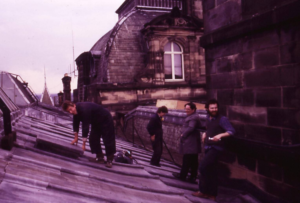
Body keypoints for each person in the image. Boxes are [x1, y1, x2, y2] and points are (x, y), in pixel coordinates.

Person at [192, 99, 235, 201]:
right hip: (208, 146)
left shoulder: (222, 119)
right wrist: (205, 133)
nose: (214, 109)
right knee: (211, 170)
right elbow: (209, 128)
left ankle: (203, 191)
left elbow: (232, 131)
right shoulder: (207, 118)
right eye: (212, 108)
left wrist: (220, 135)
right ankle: (211, 194)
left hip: (216, 148)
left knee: (202, 167)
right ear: (207, 108)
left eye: (216, 107)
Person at [62, 101, 116, 168]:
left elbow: (85, 127)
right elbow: (75, 124)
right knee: (93, 139)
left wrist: (83, 144)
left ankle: (109, 160)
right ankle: (100, 157)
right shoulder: (76, 110)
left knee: (108, 139)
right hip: (96, 122)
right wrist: (76, 138)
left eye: (70, 109)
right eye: (68, 111)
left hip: (105, 119)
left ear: (74, 105)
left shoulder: (84, 109)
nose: (70, 112)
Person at [173, 102, 201, 183]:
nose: (186, 110)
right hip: (192, 142)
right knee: (193, 160)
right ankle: (192, 177)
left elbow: (191, 128)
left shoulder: (194, 117)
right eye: (186, 109)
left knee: (187, 159)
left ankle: (183, 176)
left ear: (193, 109)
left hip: (190, 142)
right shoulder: (192, 116)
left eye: (188, 109)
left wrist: (183, 135)